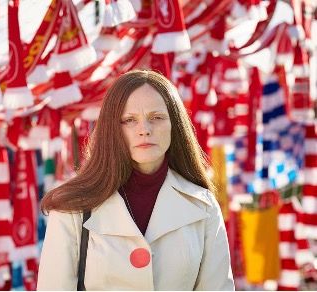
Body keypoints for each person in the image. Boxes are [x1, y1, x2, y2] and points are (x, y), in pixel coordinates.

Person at [37, 70, 235, 290]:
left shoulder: (203, 205)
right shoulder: (71, 208)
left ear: (175, 125)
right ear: (112, 128)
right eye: (129, 120)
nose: (145, 130)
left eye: (156, 118)